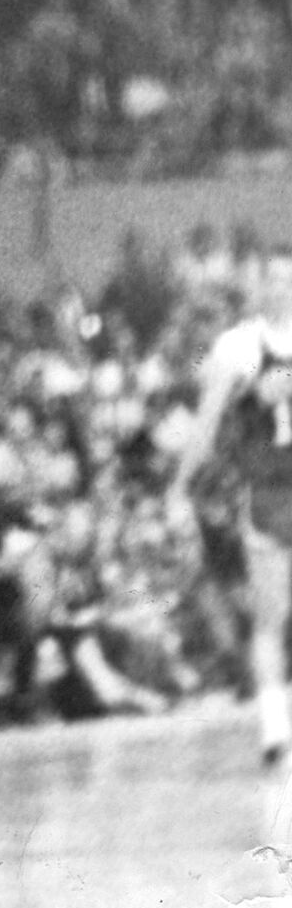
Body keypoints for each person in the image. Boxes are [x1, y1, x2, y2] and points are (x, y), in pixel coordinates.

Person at [168, 244, 292, 764]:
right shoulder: (238, 348)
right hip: (269, 494)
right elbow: (205, 425)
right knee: (272, 614)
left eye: (288, 278)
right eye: (274, 279)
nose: (281, 287)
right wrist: (179, 486)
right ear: (257, 285)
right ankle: (273, 728)